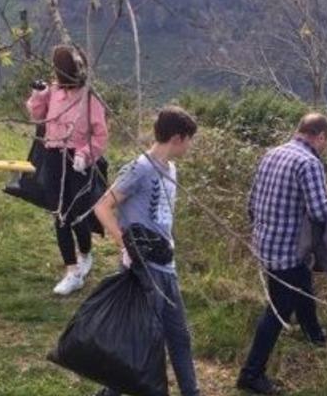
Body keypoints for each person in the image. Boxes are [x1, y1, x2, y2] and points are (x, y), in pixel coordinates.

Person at [92, 106, 201, 396]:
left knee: (179, 336)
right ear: (177, 138)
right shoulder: (140, 168)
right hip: (144, 269)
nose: (190, 145)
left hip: (167, 267)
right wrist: (124, 243)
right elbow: (102, 206)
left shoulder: (171, 169)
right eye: (189, 139)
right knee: (140, 340)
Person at [237, 113, 327, 395]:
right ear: (320, 137)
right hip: (288, 250)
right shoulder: (309, 162)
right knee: (279, 310)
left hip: (265, 244)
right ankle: (251, 374)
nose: (325, 146)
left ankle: (314, 335)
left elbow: (251, 202)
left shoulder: (272, 153)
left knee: (303, 287)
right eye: (326, 141)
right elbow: (319, 212)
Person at [26, 45, 108, 296]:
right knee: (59, 212)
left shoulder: (89, 97)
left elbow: (101, 133)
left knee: (77, 212)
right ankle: (71, 271)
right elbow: (37, 117)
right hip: (53, 154)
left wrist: (85, 153)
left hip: (77, 159)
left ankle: (85, 253)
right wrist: (38, 95)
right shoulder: (53, 92)